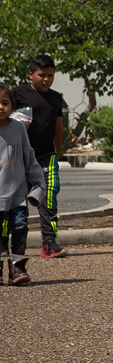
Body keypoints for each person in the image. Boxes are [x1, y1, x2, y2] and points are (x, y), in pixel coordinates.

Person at [12, 55, 67, 257]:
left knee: (49, 195)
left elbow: (59, 125)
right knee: (13, 198)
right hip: (18, 156)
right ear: (31, 74)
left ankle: (49, 242)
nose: (46, 79)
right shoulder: (18, 93)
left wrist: (58, 150)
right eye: (41, 75)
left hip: (46, 155)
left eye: (50, 76)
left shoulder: (56, 97)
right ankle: (3, 241)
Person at [0, 83, 47, 286]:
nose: (1, 107)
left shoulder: (18, 128)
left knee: (20, 225)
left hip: (17, 192)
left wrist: (39, 182)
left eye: (5, 103)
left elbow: (29, 157)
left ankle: (17, 265)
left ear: (12, 105)